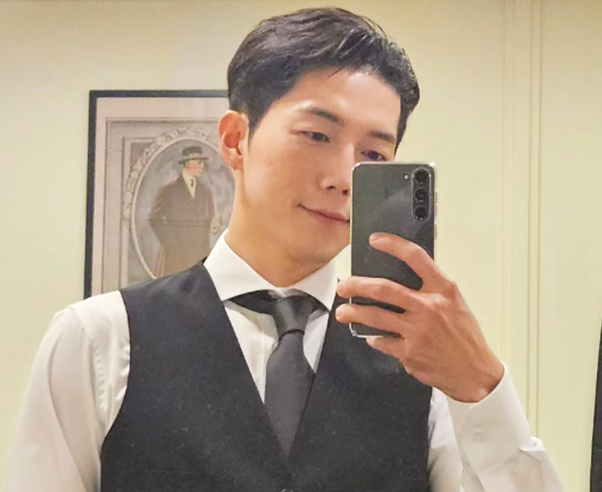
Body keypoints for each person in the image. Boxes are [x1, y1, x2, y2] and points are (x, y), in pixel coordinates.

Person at [7, 7, 563, 492]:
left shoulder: (420, 366)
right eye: (317, 135)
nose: (344, 177)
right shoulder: (99, 340)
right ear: (235, 140)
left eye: (373, 154)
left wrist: (481, 387)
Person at [149, 145, 221, 276]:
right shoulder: (168, 190)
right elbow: (154, 219)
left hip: (200, 257)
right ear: (188, 164)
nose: (203, 167)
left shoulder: (206, 192)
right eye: (199, 162)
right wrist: (171, 244)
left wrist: (214, 225)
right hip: (175, 257)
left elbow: (210, 222)